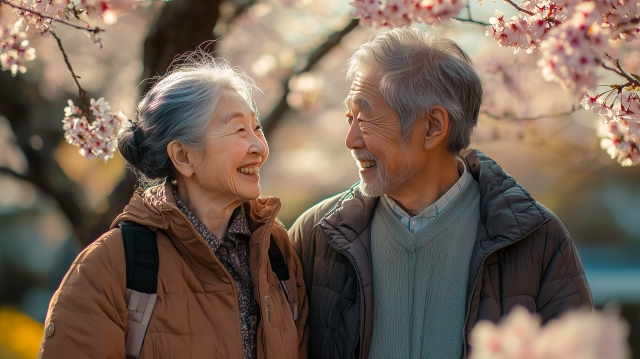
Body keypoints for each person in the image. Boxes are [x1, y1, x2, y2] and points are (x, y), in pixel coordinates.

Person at [288, 27, 592, 359]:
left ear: (433, 127)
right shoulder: (316, 235)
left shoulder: (537, 239)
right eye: (350, 117)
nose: (350, 140)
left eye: (366, 118)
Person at [38, 54, 308, 359]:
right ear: (183, 156)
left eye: (256, 128)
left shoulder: (275, 251)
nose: (259, 147)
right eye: (239, 131)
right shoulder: (110, 265)